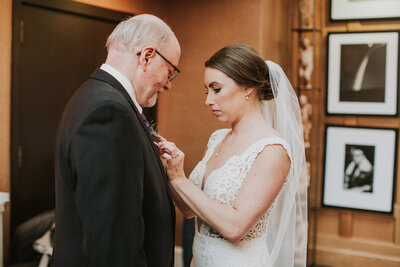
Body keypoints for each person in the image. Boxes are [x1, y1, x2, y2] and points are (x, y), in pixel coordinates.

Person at [160, 45, 307, 266]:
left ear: (247, 88)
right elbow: (189, 210)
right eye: (206, 90)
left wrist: (181, 180)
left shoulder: (272, 150)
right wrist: (171, 171)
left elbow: (235, 227)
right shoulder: (217, 138)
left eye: (216, 89)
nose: (208, 100)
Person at [53, 14, 180, 266]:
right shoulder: (110, 112)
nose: (167, 84)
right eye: (170, 71)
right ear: (146, 56)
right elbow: (113, 242)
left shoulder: (93, 95)